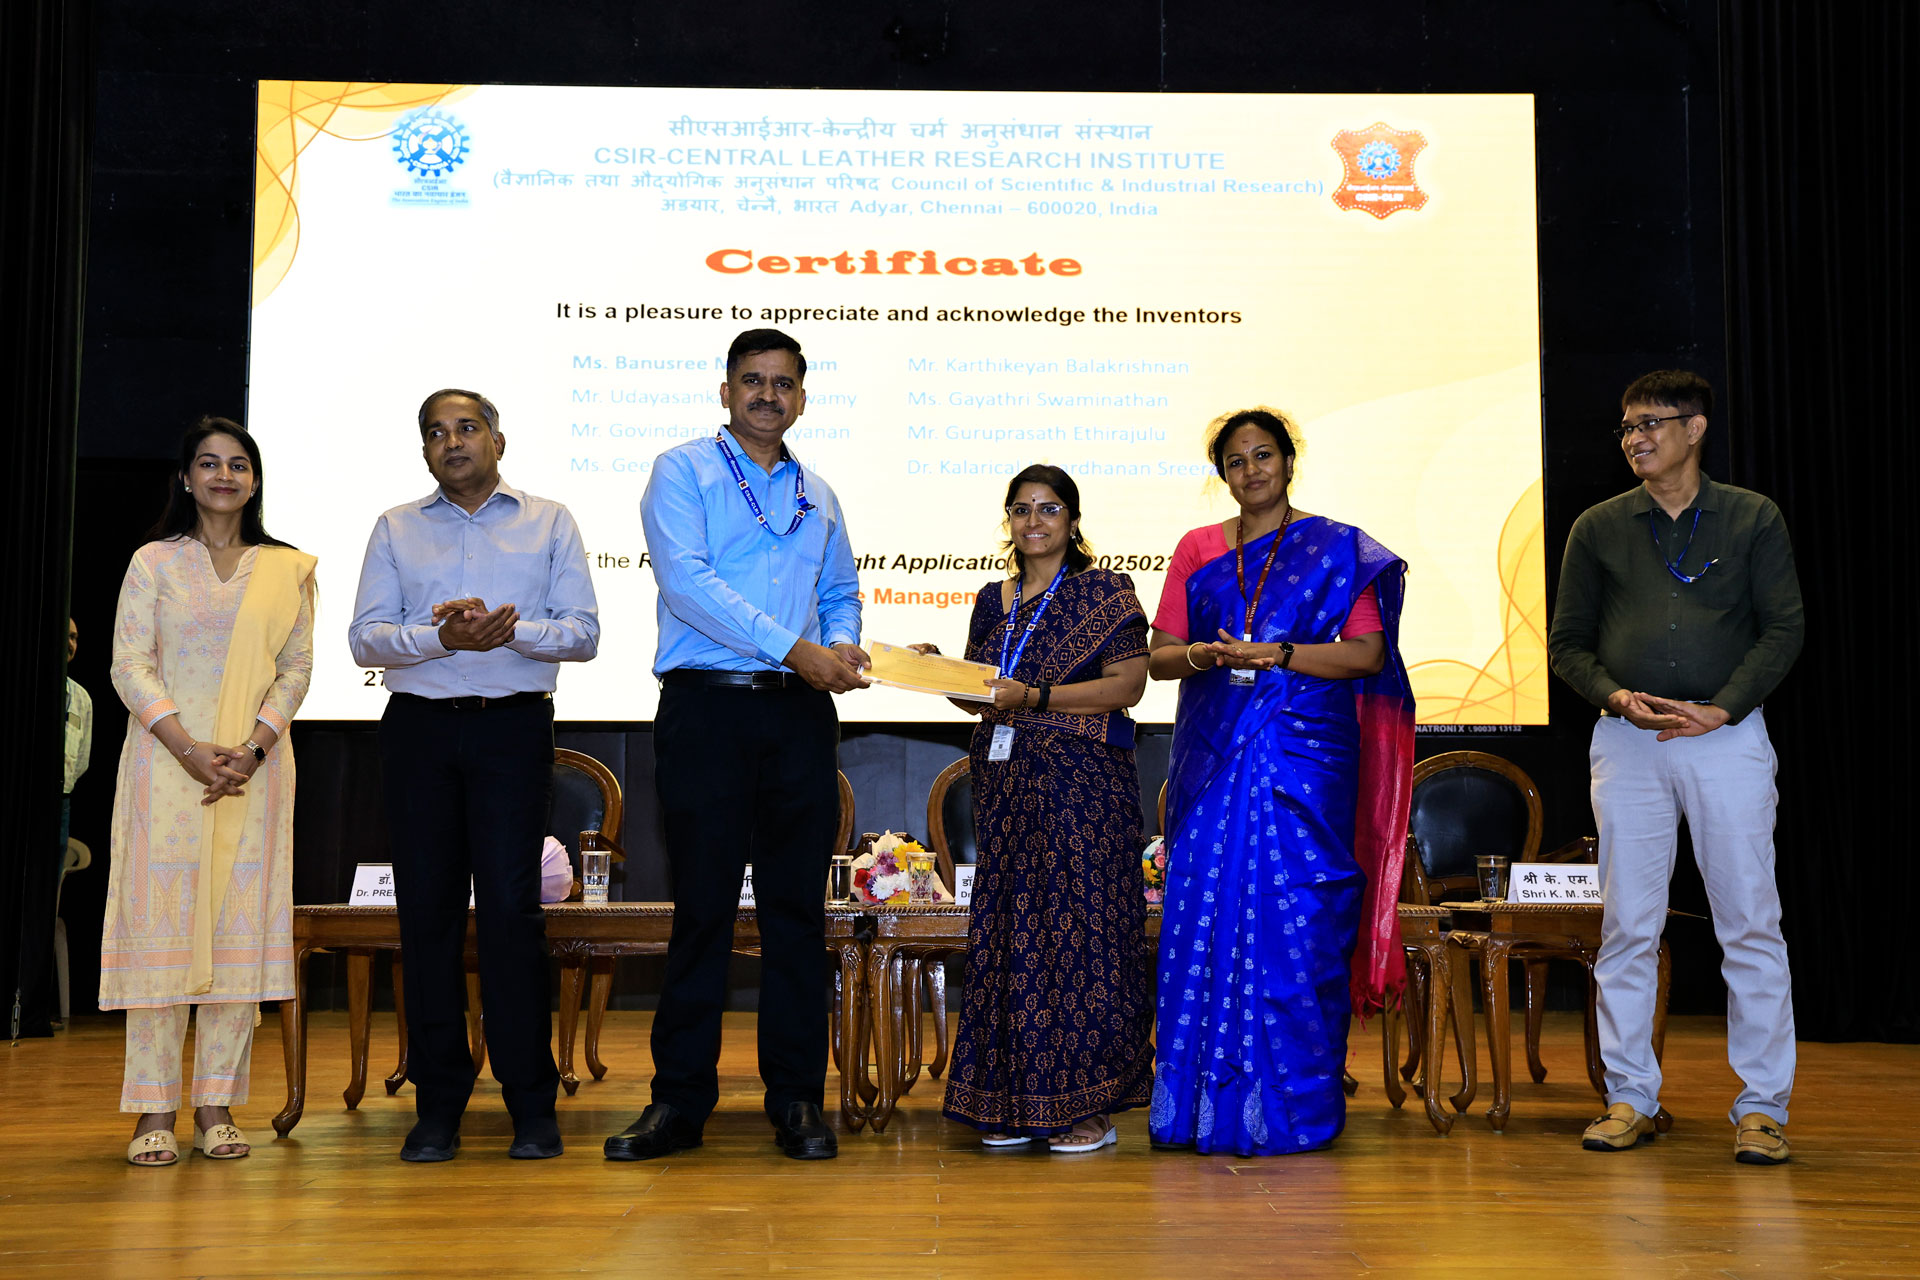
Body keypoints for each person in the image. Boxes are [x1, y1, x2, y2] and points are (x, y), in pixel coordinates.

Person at [608, 328, 866, 1163]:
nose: (767, 395)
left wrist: (842, 643)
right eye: (752, 381)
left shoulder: (819, 492)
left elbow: (839, 588)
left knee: (796, 915)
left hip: (799, 717)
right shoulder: (683, 470)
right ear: (725, 392)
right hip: (707, 710)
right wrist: (796, 648)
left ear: (802, 398)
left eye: (783, 383)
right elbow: (688, 585)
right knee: (703, 911)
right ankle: (679, 1102)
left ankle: (796, 1098)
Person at [1547, 370, 1803, 1165]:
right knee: (1628, 925)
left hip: (1727, 738)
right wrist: (1616, 696)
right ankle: (1630, 1096)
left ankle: (1761, 1109)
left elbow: (1784, 628)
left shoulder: (1752, 516)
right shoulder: (1598, 526)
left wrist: (1722, 707)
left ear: (1695, 429)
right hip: (1628, 743)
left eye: (1651, 422)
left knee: (1749, 922)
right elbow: (1567, 644)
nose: (1635, 438)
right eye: (1626, 427)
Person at [1144, 407, 1414, 1156]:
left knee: (1301, 916)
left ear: (1289, 462)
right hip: (1214, 755)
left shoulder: (1338, 549)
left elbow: (1365, 654)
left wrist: (1279, 654)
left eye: (1263, 455)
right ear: (1222, 475)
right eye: (1235, 461)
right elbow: (1159, 657)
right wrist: (1204, 656)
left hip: (1306, 755)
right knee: (1204, 912)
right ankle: (1197, 1108)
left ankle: (1293, 1105)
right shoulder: (1197, 548)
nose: (1251, 470)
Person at [349, 388, 600, 1162]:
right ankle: (438, 1106)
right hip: (419, 732)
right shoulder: (395, 527)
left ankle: (531, 1102)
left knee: (510, 917)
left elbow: (584, 634)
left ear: (498, 439)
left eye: (466, 428)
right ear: (424, 450)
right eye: (435, 432)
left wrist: (510, 632)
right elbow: (365, 639)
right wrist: (441, 638)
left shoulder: (549, 520)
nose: (451, 442)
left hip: (510, 729)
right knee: (426, 919)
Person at [911, 465, 1154, 1153]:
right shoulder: (993, 600)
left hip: (1084, 791)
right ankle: (1015, 1101)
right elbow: (986, 695)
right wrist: (937, 670)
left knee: (1083, 935)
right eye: (1021, 510)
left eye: (1049, 509)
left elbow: (1127, 686)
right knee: (1012, 937)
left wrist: (1037, 699)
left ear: (1073, 521)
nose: (1034, 521)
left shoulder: (1105, 592)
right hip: (1008, 791)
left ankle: (1088, 1108)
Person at [104, 417, 316, 1166]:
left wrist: (251, 750)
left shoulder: (286, 569)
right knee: (159, 936)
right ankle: (154, 1109)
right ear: (186, 478)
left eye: (238, 464)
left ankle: (216, 1105)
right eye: (208, 463)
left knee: (236, 934)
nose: (224, 475)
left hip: (254, 773)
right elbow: (129, 665)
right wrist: (190, 749)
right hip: (166, 768)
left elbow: (296, 669)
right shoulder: (154, 562)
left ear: (254, 481)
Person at [63, 617, 92, 852]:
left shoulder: (81, 697)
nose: (70, 643)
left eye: (73, 638)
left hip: (61, 799)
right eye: (65, 635)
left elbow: (82, 758)